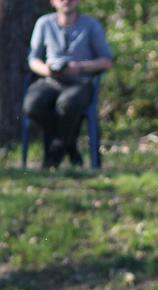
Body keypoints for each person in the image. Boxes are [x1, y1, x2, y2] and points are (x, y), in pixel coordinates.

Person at [25, 0, 113, 169]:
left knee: (67, 104)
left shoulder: (91, 25)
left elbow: (106, 61)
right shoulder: (44, 23)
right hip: (51, 81)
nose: (66, 1)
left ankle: (54, 157)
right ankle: (70, 144)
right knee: (32, 106)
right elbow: (33, 59)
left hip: (80, 83)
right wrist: (48, 70)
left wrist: (80, 67)